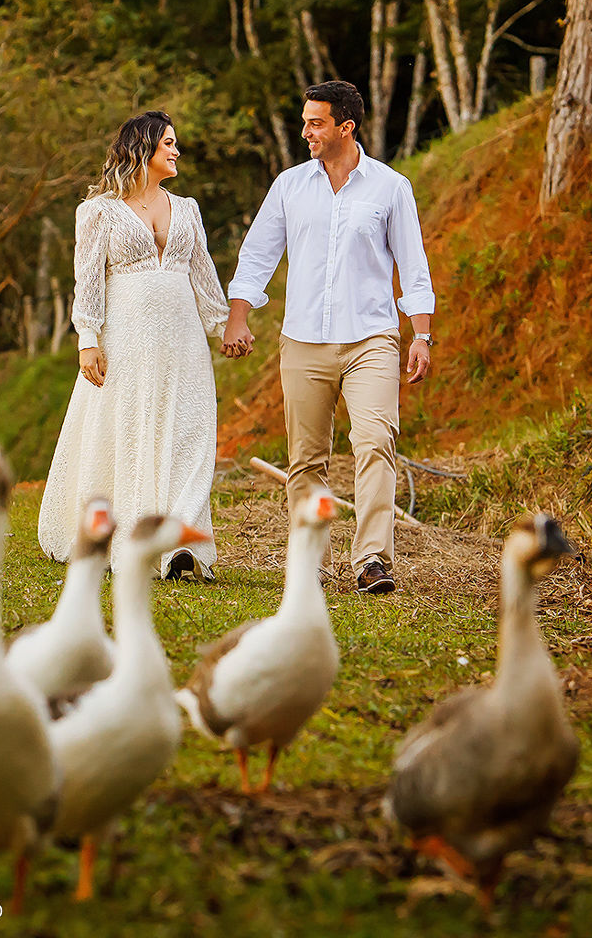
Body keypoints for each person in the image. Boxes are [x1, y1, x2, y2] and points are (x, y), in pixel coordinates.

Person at [223, 80, 436, 595]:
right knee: (306, 457)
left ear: (346, 127)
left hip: (371, 339)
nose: (306, 132)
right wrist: (238, 316)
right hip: (303, 341)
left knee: (375, 441)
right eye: (305, 121)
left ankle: (371, 561)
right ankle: (310, 560)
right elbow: (257, 255)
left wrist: (421, 334)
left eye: (315, 123)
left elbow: (413, 264)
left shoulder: (390, 188)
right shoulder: (289, 186)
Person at [38, 111, 229, 580]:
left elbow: (203, 274)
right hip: (127, 338)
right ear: (142, 148)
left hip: (183, 338)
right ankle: (127, 532)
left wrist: (226, 326)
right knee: (130, 431)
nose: (177, 151)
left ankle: (180, 541)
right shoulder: (99, 211)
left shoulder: (187, 209)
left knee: (190, 432)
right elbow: (88, 281)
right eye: (168, 143)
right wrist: (88, 339)